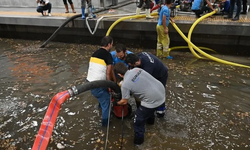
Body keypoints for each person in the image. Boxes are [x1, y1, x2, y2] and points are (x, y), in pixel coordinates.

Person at [113, 62, 166, 145]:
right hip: (161, 92)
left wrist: (117, 103)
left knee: (137, 121)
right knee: (149, 110)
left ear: (119, 74)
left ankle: (138, 143)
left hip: (152, 100)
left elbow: (124, 101)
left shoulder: (125, 84)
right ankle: (150, 124)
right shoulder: (137, 69)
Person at [125, 52, 168, 118]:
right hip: (154, 70)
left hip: (161, 75)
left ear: (136, 63)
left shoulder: (148, 67)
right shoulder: (138, 56)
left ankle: (161, 111)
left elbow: (144, 82)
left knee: (158, 92)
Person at [86, 36, 116, 127]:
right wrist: (111, 85)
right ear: (109, 45)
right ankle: (105, 124)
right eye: (112, 44)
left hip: (89, 82)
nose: (112, 46)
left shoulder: (95, 53)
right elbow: (108, 73)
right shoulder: (108, 55)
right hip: (99, 84)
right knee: (106, 101)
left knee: (101, 97)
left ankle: (100, 108)